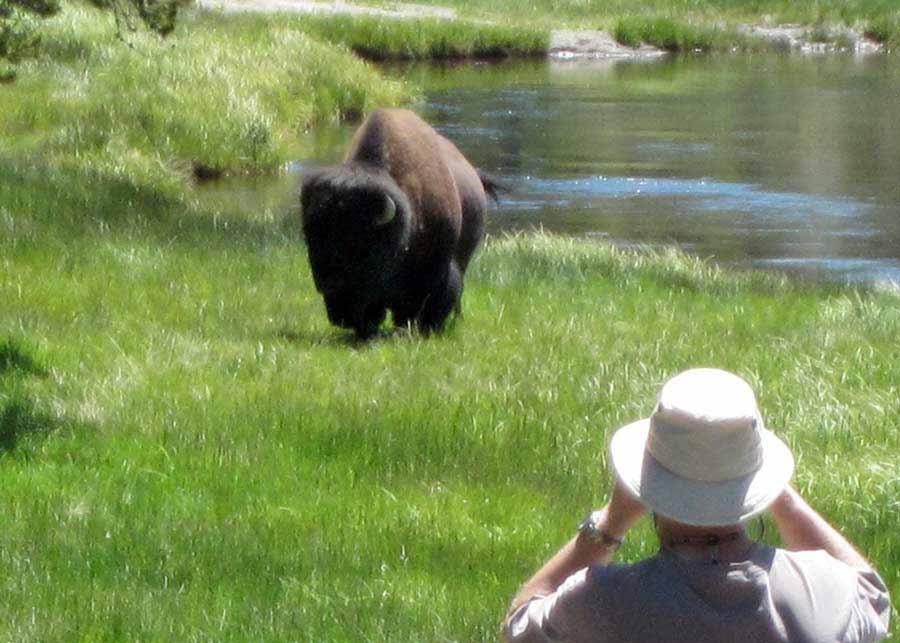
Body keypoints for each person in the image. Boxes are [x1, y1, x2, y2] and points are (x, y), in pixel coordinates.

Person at [503, 368, 891, 643]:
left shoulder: (601, 602)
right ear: (759, 483)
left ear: (644, 486)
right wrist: (783, 499)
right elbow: (874, 596)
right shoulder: (827, 592)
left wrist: (609, 525)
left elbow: (518, 628)